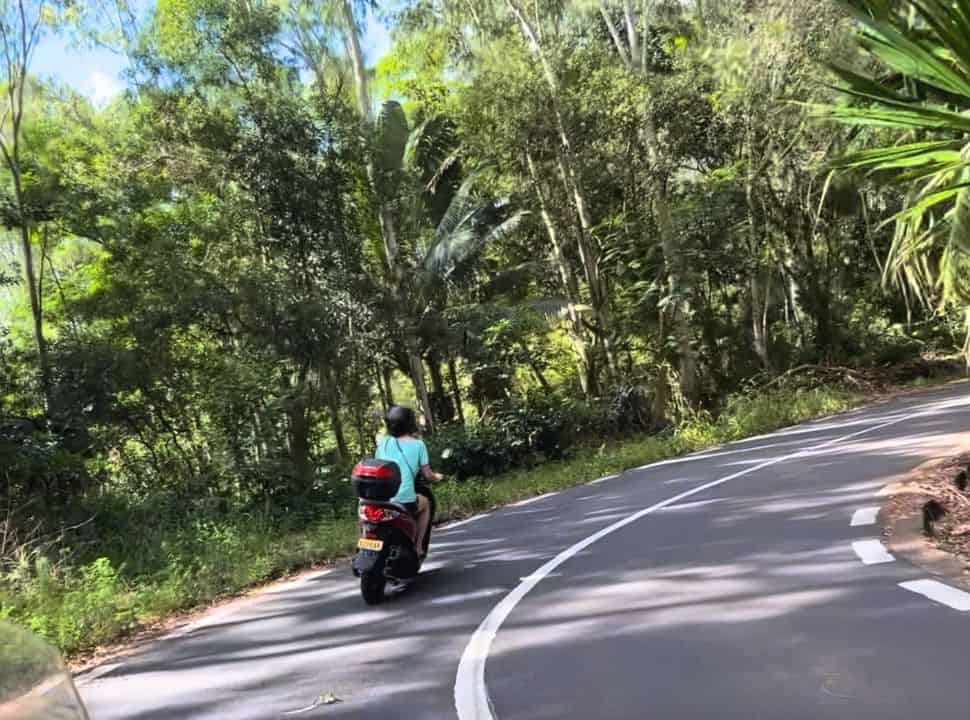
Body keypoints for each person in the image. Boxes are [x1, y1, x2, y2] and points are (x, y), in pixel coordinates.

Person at [375, 405, 442, 559]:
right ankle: (418, 547)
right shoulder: (418, 445)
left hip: (381, 500)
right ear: (410, 423)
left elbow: (379, 465)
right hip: (403, 501)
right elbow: (427, 474)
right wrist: (437, 477)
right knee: (426, 504)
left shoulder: (383, 444)